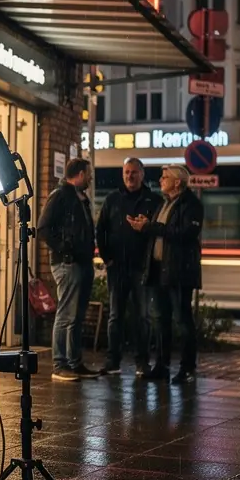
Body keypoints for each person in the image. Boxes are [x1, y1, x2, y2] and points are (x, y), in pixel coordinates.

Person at [127, 164, 204, 385]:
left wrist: (150, 227)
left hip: (179, 271)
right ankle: (162, 365)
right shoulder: (165, 203)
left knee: (182, 320)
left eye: (165, 177)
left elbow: (184, 234)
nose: (160, 180)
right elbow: (160, 231)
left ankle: (187, 368)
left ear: (177, 182)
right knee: (160, 320)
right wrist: (145, 225)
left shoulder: (191, 205)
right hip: (159, 270)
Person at [96, 157, 159, 377]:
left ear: (142, 174)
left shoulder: (153, 200)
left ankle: (142, 363)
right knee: (115, 316)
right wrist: (106, 257)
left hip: (142, 268)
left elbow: (159, 233)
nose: (129, 177)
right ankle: (113, 361)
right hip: (117, 268)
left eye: (133, 172)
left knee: (143, 316)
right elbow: (100, 229)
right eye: (126, 173)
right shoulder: (112, 199)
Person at [37, 157, 97, 382]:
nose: (90, 178)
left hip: (81, 262)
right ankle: (60, 363)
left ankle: (74, 362)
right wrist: (65, 250)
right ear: (80, 174)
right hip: (68, 263)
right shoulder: (61, 195)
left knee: (76, 316)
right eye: (88, 174)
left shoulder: (80, 198)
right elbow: (43, 227)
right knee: (66, 314)